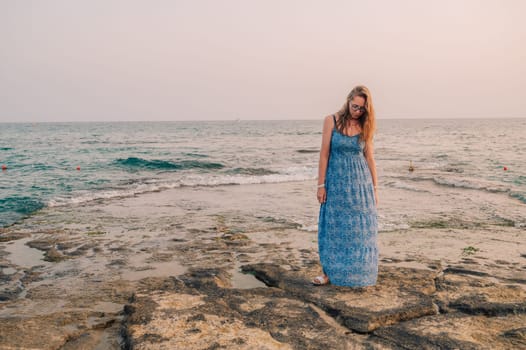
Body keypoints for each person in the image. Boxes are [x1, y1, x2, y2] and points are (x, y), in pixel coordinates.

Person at [312, 85, 379, 287]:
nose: (357, 111)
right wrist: (321, 184)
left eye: (361, 109)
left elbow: (369, 157)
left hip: (360, 184)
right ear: (348, 100)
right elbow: (324, 154)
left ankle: (359, 273)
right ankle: (328, 273)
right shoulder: (330, 121)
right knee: (332, 226)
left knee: (360, 229)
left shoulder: (365, 126)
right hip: (336, 181)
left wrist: (374, 189)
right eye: (355, 106)